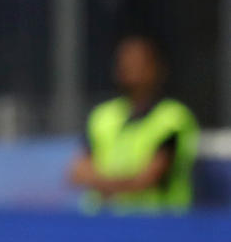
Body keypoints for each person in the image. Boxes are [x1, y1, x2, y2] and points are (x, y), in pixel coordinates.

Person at [69, 35, 198, 213]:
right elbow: (77, 173)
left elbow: (149, 178)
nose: (128, 67)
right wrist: (124, 183)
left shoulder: (173, 117)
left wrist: (102, 183)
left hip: (158, 225)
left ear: (156, 68)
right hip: (101, 222)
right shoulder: (102, 115)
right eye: (123, 62)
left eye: (138, 62)